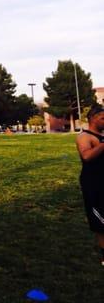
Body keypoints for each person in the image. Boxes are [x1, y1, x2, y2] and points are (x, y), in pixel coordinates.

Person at [76, 105, 104, 266]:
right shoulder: (84, 137)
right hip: (94, 184)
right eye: (102, 118)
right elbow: (86, 156)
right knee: (100, 222)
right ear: (92, 118)